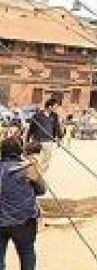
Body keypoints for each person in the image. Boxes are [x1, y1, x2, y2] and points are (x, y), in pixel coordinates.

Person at [0, 137, 45, 270]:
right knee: (27, 254)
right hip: (25, 221)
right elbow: (41, 190)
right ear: (20, 151)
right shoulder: (27, 168)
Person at [25, 99, 62, 174]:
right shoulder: (37, 115)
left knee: (46, 161)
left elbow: (57, 127)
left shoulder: (54, 116)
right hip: (37, 140)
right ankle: (35, 174)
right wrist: (27, 139)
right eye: (55, 106)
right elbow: (31, 128)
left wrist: (59, 138)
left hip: (49, 141)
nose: (56, 108)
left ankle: (40, 174)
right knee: (36, 159)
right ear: (50, 106)